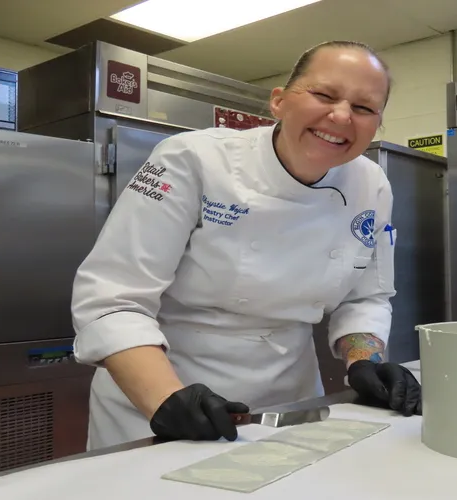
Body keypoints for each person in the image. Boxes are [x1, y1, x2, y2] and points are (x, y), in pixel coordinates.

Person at [70, 40, 422, 451]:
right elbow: (113, 298)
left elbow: (366, 296)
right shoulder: (191, 159)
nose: (341, 115)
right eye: (324, 95)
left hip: (289, 400)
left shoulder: (371, 183)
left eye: (364, 108)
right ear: (278, 101)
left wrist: (366, 361)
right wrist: (165, 399)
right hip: (164, 398)